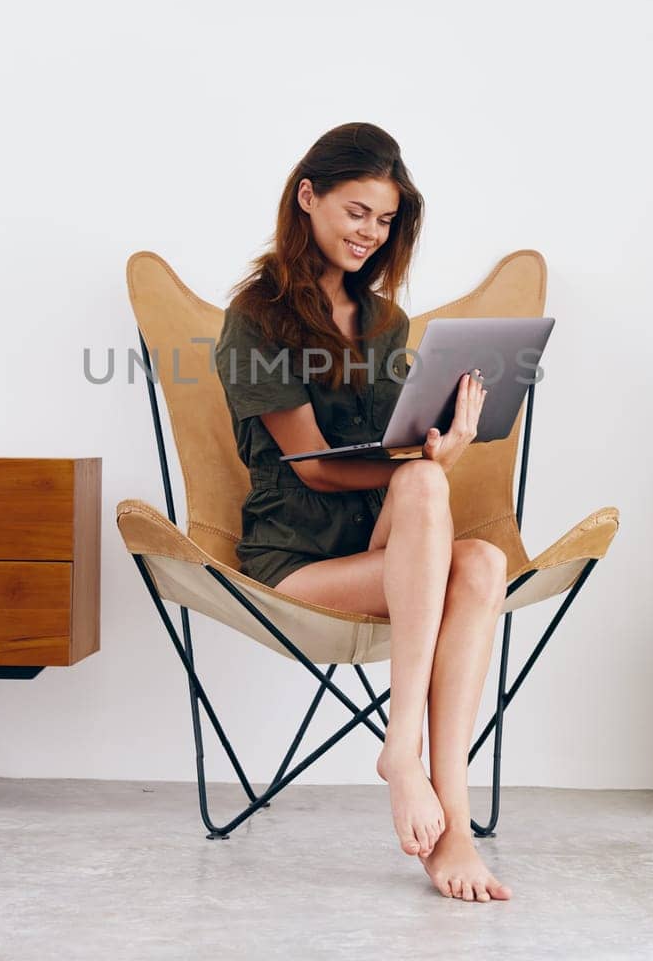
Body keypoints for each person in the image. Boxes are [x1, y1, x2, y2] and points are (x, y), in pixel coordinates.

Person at [214, 122, 512, 903]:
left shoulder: (385, 323)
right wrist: (418, 466)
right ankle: (422, 782)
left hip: (386, 545)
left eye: (384, 221)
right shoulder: (255, 318)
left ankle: (436, 789)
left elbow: (398, 449)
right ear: (307, 196)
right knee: (432, 504)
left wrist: (442, 444)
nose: (369, 234)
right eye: (356, 212)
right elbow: (311, 464)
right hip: (296, 560)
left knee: (475, 548)